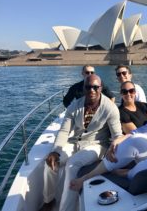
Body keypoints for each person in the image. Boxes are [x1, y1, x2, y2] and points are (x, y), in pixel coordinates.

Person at [39, 74, 125, 211]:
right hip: (74, 142)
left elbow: (117, 135)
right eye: (88, 87)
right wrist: (56, 151)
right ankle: (48, 201)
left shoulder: (110, 108)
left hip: (96, 145)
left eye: (95, 87)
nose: (92, 90)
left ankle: (66, 208)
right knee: (50, 163)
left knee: (72, 165)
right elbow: (63, 131)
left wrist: (114, 150)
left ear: (101, 88)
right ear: (84, 88)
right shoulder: (75, 105)